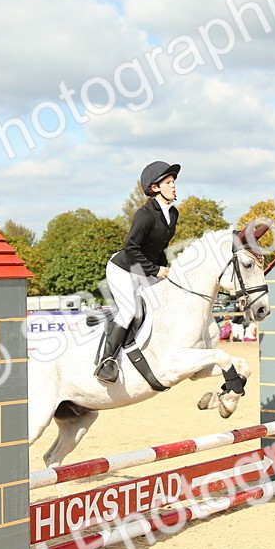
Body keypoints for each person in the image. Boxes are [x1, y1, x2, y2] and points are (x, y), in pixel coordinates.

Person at [95, 160, 181, 383]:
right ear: (155, 188)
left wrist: (167, 272)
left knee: (166, 300)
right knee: (129, 310)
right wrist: (155, 270)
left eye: (173, 182)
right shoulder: (144, 215)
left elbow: (159, 247)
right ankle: (107, 362)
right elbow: (131, 248)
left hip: (143, 268)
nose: (173, 186)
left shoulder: (173, 214)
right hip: (122, 268)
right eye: (169, 182)